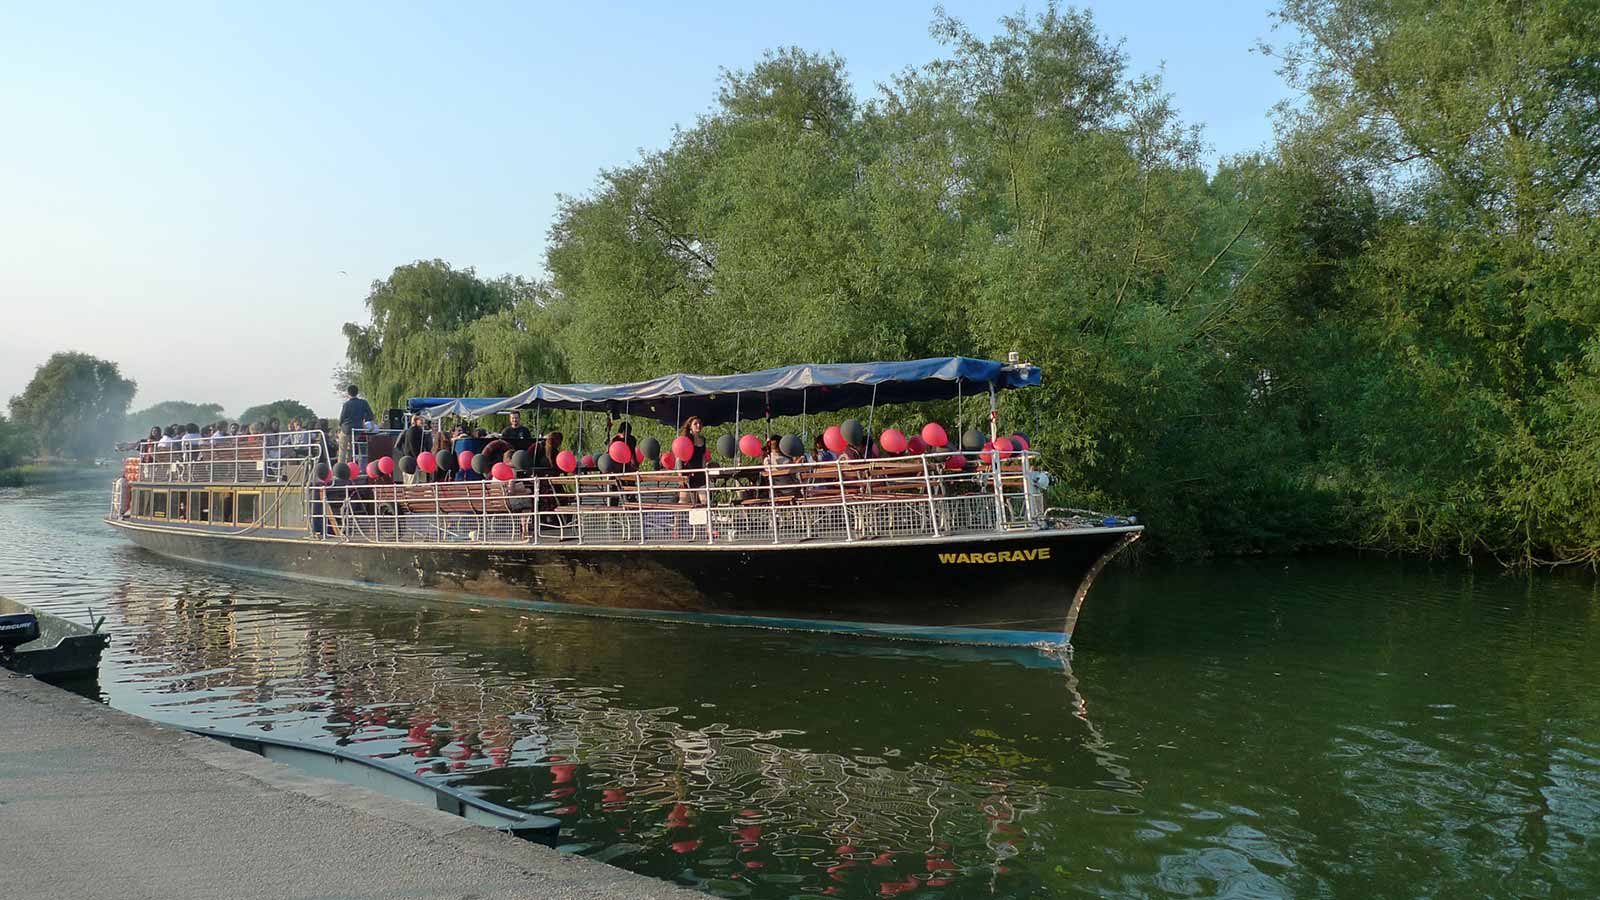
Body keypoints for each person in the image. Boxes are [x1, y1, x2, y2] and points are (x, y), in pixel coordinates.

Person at [338, 384, 374, 464]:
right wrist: (364, 420)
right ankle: (349, 465)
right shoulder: (363, 403)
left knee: (342, 450)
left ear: (348, 393)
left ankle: (340, 468)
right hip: (357, 429)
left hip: (346, 429)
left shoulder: (346, 404)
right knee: (351, 449)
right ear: (357, 393)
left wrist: (340, 426)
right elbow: (371, 416)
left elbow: (341, 418)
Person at [678, 416, 709, 503]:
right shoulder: (686, 439)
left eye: (700, 423)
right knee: (683, 501)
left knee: (705, 500)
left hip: (699, 474)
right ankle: (677, 517)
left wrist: (704, 471)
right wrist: (680, 475)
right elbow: (679, 457)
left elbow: (702, 457)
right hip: (687, 473)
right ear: (690, 426)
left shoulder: (703, 440)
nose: (698, 425)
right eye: (695, 424)